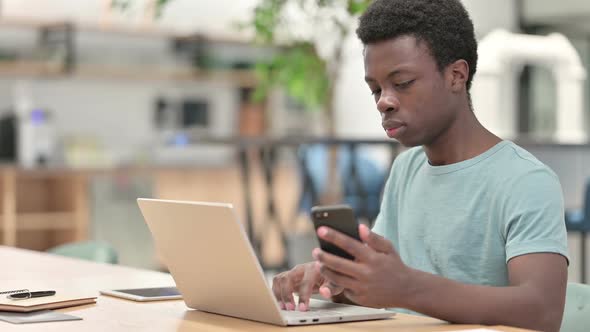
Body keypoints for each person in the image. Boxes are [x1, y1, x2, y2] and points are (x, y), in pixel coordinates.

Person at [271, 0, 569, 331]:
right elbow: (385, 289)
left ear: (456, 75)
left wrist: (407, 287)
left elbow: (542, 311)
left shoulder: (526, 180)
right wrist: (339, 284)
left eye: (402, 83)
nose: (384, 101)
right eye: (375, 89)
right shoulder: (406, 169)